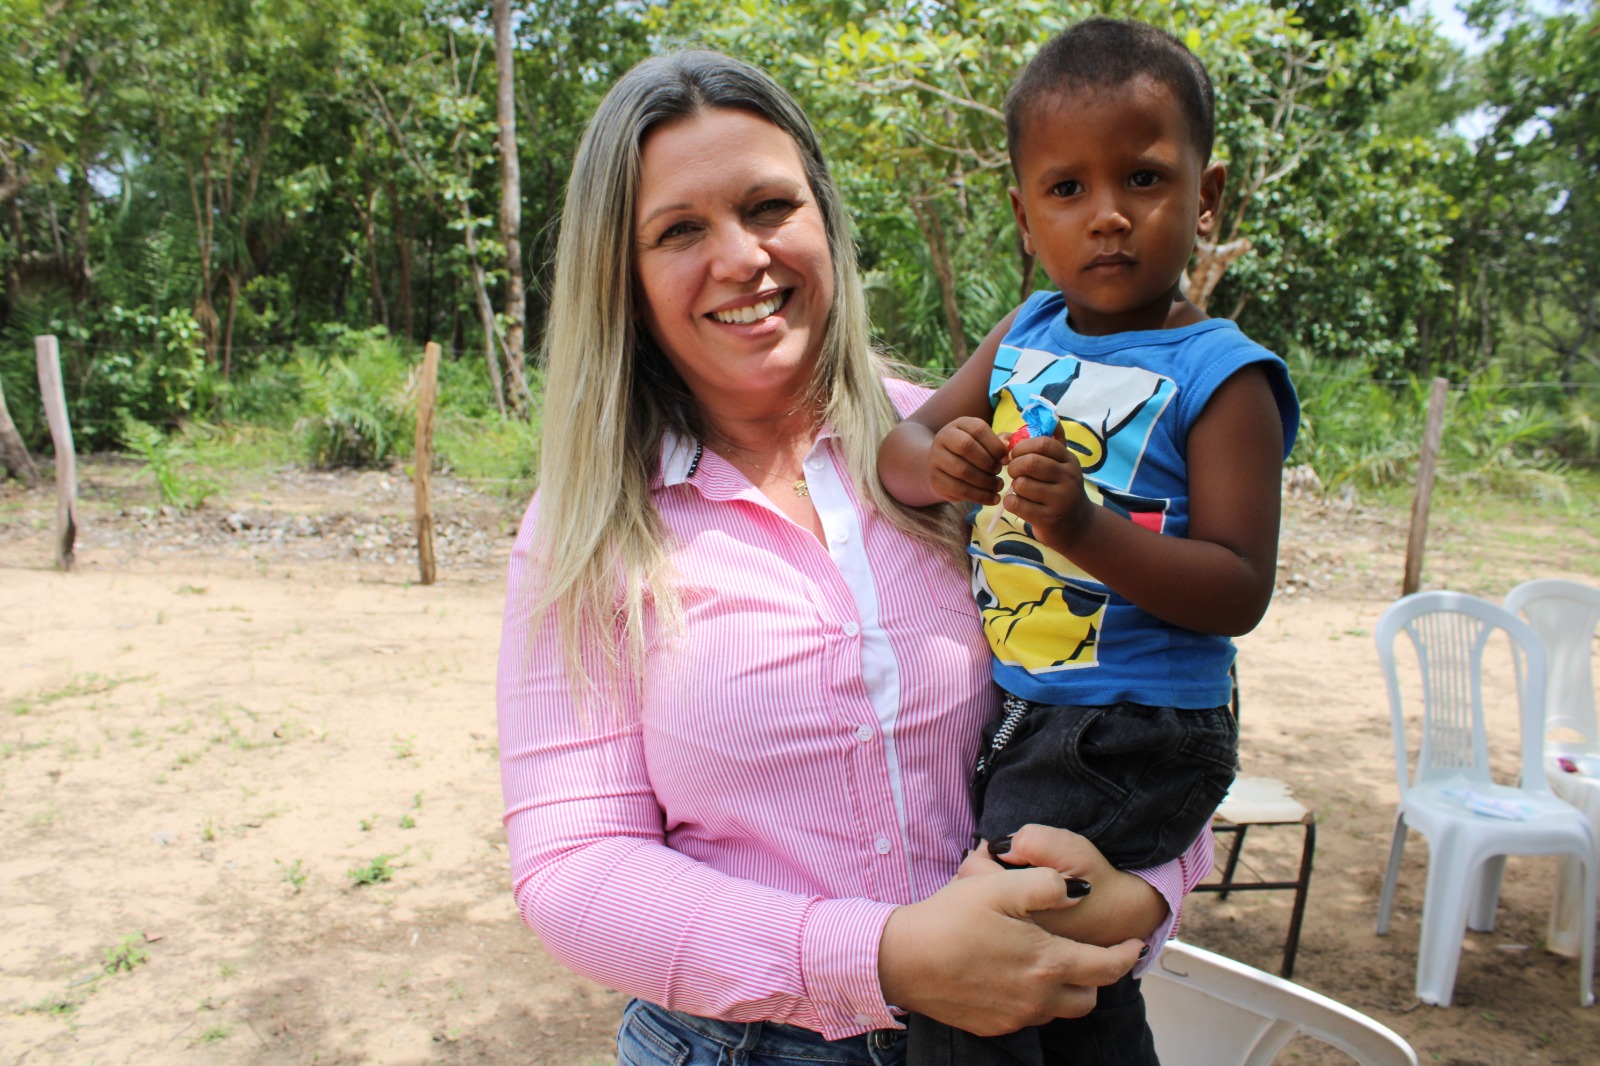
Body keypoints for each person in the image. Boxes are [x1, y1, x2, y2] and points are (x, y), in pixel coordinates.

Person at [496, 48, 1214, 1066]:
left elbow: (1154, 695)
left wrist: (1146, 891)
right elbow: (574, 868)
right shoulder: (588, 526)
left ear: (826, 220)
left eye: (769, 206)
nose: (742, 258)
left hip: (1029, 1035)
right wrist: (885, 956)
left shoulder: (975, 454)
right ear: (624, 275)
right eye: (679, 230)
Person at [877, 17, 1301, 1066]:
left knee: (975, 961)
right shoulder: (1024, 334)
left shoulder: (1222, 377)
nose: (1107, 215)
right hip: (1033, 714)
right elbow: (901, 444)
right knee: (1069, 988)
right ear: (1026, 218)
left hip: (1136, 728)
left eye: (1144, 179)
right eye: (1067, 189)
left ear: (1205, 197)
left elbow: (1237, 588)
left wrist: (1080, 526)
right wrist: (942, 461)